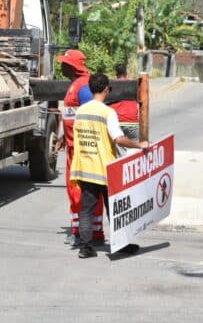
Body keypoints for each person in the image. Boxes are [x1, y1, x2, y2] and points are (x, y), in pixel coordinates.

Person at [70, 73, 149, 258]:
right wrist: (139, 145)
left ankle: (85, 248)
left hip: (85, 168)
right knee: (115, 209)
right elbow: (119, 139)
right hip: (105, 170)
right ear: (106, 89)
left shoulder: (81, 111)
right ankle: (120, 245)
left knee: (86, 210)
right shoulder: (108, 113)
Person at [54, 49, 104, 244]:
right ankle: (88, 230)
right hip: (73, 145)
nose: (61, 66)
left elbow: (92, 111)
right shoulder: (77, 84)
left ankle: (82, 233)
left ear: (73, 66)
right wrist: (62, 136)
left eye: (64, 63)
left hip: (81, 149)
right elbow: (70, 114)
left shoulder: (83, 86)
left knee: (79, 191)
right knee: (80, 190)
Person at [108, 63, 140, 140]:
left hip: (116, 122)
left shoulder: (110, 86)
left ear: (116, 73)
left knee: (117, 150)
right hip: (131, 122)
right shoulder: (134, 84)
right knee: (136, 149)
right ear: (126, 72)